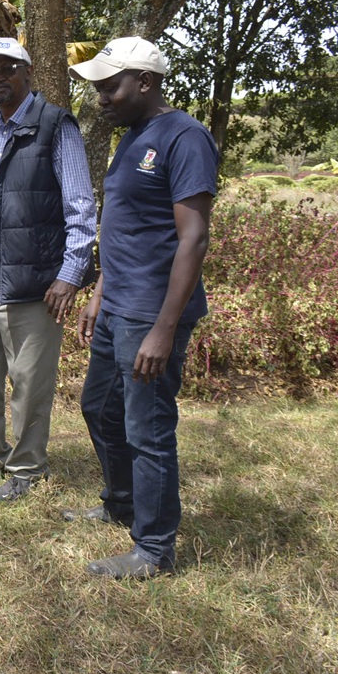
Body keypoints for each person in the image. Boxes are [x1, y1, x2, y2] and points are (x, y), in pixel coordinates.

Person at [63, 37, 218, 579]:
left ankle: (153, 549)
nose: (102, 97)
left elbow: (192, 238)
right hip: (118, 305)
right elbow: (126, 227)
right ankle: (121, 503)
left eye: (111, 87)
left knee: (147, 428)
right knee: (99, 409)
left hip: (152, 313)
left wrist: (163, 329)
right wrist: (101, 292)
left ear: (145, 82)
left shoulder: (185, 137)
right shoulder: (132, 138)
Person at [0, 38, 96, 501]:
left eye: (7, 69)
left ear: (27, 73)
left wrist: (71, 274)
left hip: (38, 271)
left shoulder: (55, 125)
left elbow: (80, 206)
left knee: (30, 377)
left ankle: (28, 470)